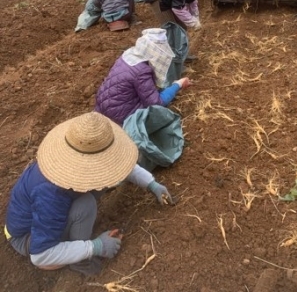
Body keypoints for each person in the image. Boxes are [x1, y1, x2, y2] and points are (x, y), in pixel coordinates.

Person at [4, 112, 173, 275]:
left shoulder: (69, 161)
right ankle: (79, 262)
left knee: (103, 182)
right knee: (85, 204)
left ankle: (77, 238)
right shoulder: (50, 194)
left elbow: (118, 165)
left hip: (44, 218)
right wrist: (94, 247)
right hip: (28, 238)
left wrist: (151, 184)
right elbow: (40, 255)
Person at [95, 28, 192, 126]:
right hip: (120, 117)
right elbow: (156, 103)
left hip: (102, 108)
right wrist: (178, 84)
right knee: (165, 117)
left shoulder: (128, 56)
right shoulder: (142, 71)